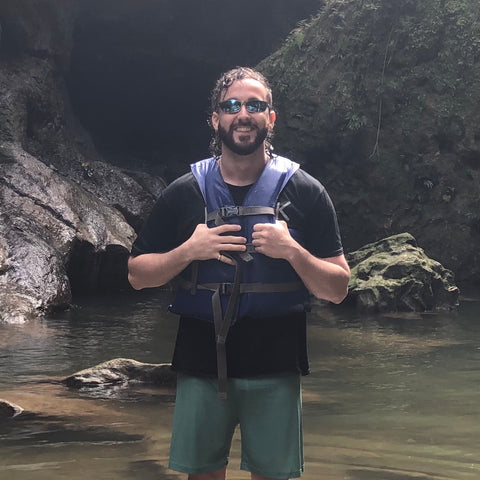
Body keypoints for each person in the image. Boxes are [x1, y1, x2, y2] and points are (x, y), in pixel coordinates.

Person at [127, 66, 350, 480]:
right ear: (216, 119)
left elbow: (337, 288)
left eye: (254, 105)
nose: (242, 114)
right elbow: (138, 275)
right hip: (200, 362)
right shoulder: (184, 192)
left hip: (276, 362)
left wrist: (293, 252)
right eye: (231, 105)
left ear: (271, 117)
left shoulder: (306, 191)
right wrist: (189, 251)